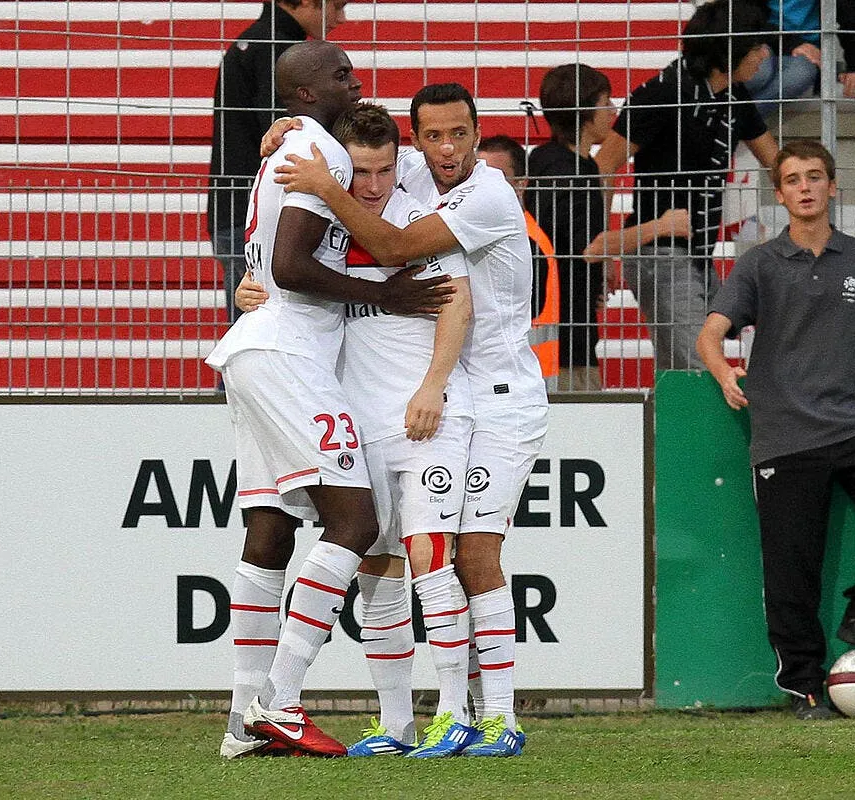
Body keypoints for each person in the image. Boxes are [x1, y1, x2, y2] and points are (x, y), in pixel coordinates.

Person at [271, 82, 549, 756]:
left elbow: (399, 251)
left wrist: (324, 184)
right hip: (432, 398)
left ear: (479, 133)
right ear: (417, 141)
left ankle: (493, 719)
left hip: (495, 395)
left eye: (460, 134)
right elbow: (363, 147)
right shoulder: (410, 171)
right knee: (385, 560)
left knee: (467, 554)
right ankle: (401, 723)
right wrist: (292, 129)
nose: (447, 149)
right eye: (433, 136)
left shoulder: (484, 196)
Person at [205, 41, 452, 759]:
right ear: (307, 93)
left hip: (254, 346)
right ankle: (279, 702)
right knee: (355, 521)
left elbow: (275, 258)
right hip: (289, 351)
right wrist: (388, 294)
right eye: (341, 73)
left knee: (270, 529)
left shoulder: (298, 145)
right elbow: (290, 266)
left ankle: (241, 722)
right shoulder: (322, 152)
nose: (356, 78)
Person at [696, 140, 855, 720]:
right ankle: (803, 687)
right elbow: (710, 335)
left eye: (815, 176)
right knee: (791, 567)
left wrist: (850, 386)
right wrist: (724, 373)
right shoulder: (759, 263)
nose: (805, 187)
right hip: (785, 434)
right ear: (779, 194)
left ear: (832, 186)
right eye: (794, 179)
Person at [593, 0, 779, 371]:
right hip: (657, 251)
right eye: (758, 45)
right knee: (700, 367)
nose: (765, 54)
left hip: (698, 252)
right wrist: (604, 249)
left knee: (682, 371)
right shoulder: (662, 93)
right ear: (731, 48)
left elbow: (777, 163)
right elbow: (604, 165)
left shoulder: (734, 95)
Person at [207, 0, 351, 326]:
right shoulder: (280, 51)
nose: (341, 18)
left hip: (238, 211)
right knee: (264, 324)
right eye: (337, 6)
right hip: (263, 217)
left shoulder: (254, 42)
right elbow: (291, 130)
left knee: (253, 323)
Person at [526, 64, 615, 391]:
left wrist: (599, 271)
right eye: (605, 103)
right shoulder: (562, 170)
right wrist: (660, 227)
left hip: (572, 320)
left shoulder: (570, 163)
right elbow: (589, 248)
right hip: (561, 333)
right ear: (585, 112)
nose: (612, 111)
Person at [478, 134, 562, 388]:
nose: (485, 186)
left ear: (521, 184)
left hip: (525, 379)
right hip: (518, 375)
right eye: (479, 176)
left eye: (497, 177)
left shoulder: (525, 242)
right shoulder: (515, 233)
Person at [743, 0, 855, 118]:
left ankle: (739, 122)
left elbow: (853, 17)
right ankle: (740, 122)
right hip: (762, 40)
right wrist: (791, 43)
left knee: (800, 73)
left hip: (806, 52)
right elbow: (745, 17)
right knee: (759, 73)